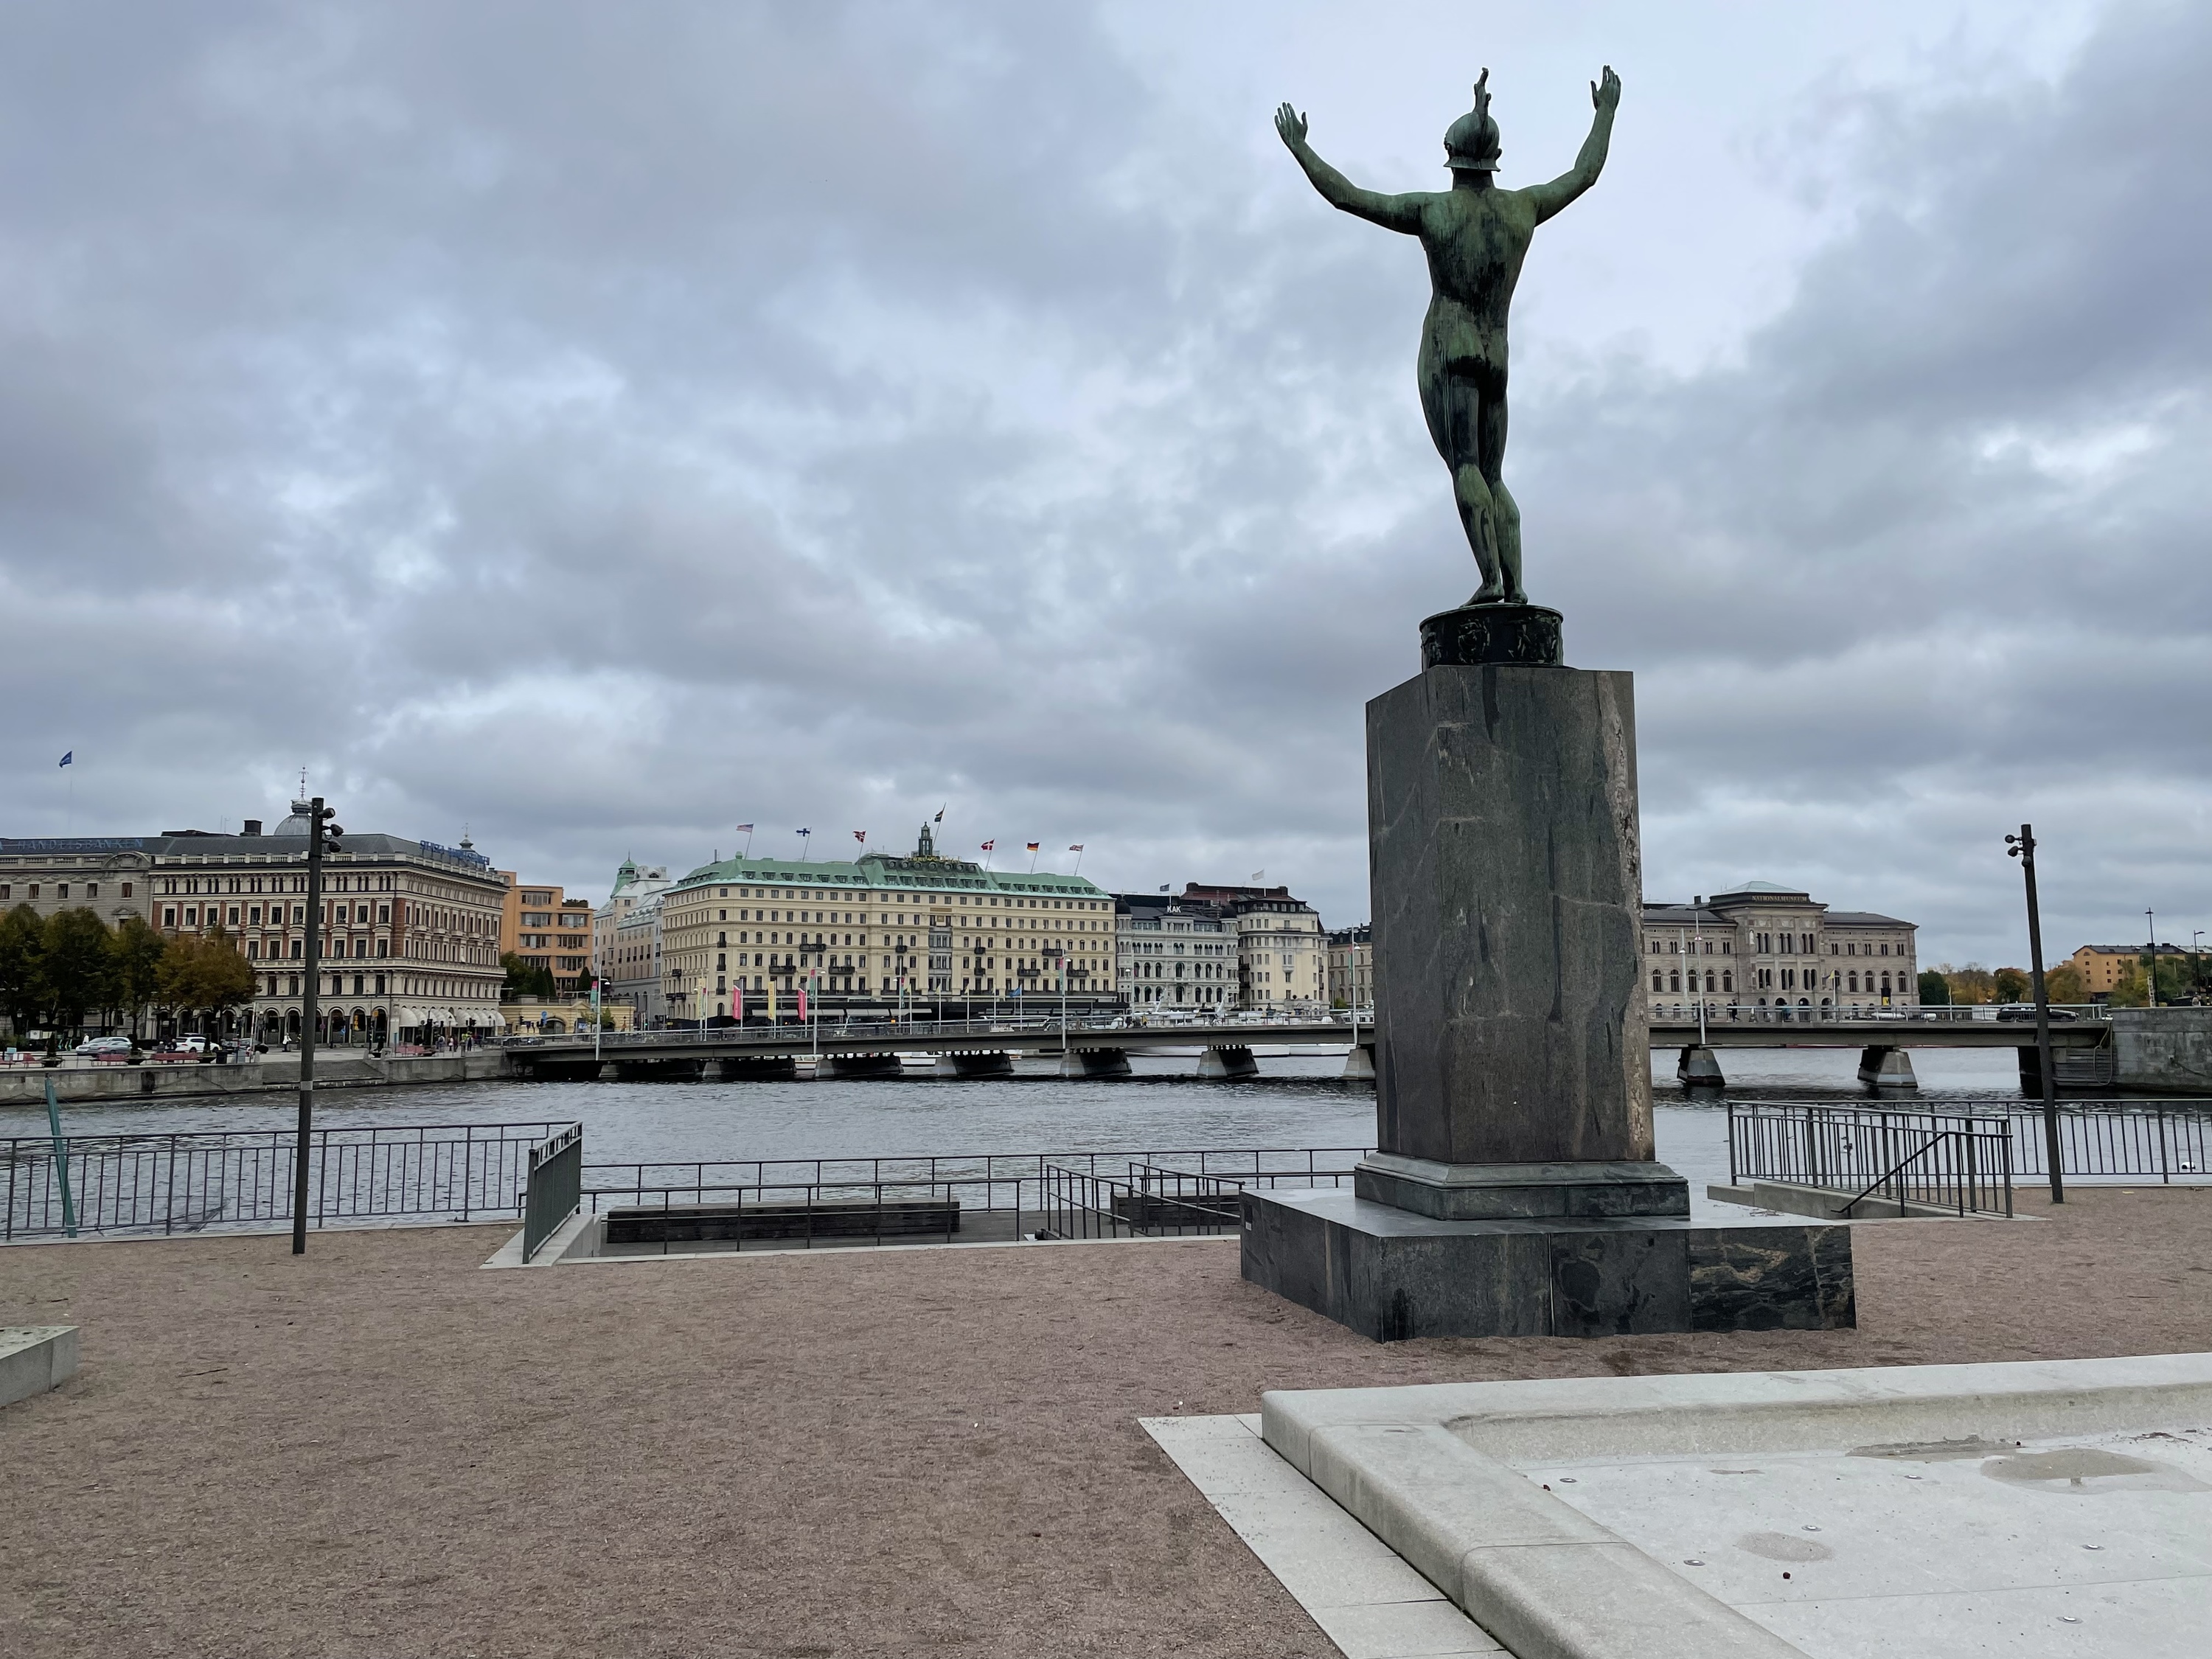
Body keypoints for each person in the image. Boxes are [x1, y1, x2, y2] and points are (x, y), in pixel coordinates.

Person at [1276, 68, 1620, 605]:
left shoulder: (1432, 210)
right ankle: (1516, 586)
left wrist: (1301, 150)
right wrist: (1605, 114)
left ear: (1450, 154)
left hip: (1450, 347)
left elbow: (1348, 197)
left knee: (1466, 466)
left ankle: (1491, 580)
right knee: (1495, 475)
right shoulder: (1524, 207)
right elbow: (1584, 174)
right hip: (1497, 353)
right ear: (1495, 157)